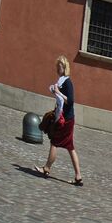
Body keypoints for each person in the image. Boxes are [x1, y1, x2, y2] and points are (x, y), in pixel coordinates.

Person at [36, 55, 82, 186]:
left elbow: (71, 101)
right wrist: (54, 90)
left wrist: (58, 92)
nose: (57, 69)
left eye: (59, 66)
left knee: (55, 142)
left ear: (65, 67)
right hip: (67, 118)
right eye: (57, 66)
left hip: (66, 119)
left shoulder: (67, 82)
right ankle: (78, 176)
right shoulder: (61, 81)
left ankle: (46, 168)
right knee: (70, 147)